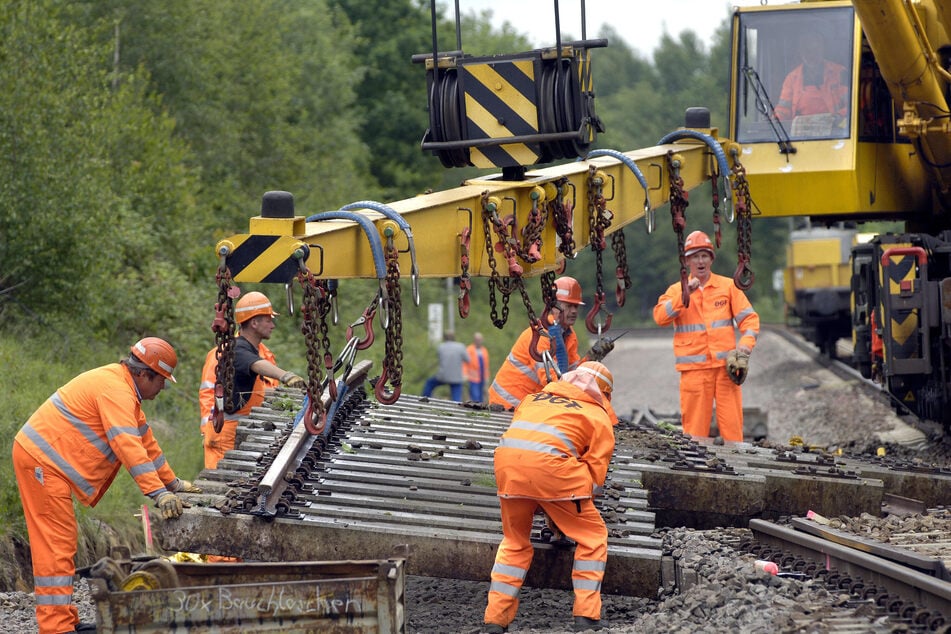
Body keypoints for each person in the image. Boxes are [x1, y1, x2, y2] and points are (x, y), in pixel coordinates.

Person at [12, 337, 201, 634]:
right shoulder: (116, 391)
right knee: (56, 545)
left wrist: (172, 483)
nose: (163, 388)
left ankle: (64, 619)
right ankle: (56, 628)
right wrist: (158, 493)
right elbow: (128, 446)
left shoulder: (125, 390)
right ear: (143, 374)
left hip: (44, 463)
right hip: (41, 464)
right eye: (161, 380)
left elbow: (146, 443)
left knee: (61, 543)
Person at [482, 361, 618, 634]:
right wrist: (564, 511)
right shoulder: (597, 415)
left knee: (514, 542)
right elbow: (594, 477)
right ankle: (587, 617)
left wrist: (549, 506)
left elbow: (530, 447)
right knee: (592, 538)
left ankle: (496, 620)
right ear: (604, 393)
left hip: (508, 473)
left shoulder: (531, 400)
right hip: (556, 476)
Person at [652, 230, 760, 442]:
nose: (700, 261)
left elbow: (749, 319)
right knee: (694, 434)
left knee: (732, 429)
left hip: (725, 370)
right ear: (687, 261)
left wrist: (745, 346)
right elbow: (660, 317)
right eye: (695, 256)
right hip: (694, 373)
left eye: (704, 255)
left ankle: (736, 469)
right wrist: (684, 295)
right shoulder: (676, 291)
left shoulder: (728, 286)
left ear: (711, 259)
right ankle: (697, 471)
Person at [201, 291, 305, 469]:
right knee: (223, 486)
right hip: (226, 431)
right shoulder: (236, 349)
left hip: (241, 428)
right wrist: (286, 376)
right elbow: (253, 364)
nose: (272, 325)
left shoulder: (258, 351)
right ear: (254, 323)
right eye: (268, 320)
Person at [488, 276, 610, 411]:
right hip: (506, 405)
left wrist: (591, 357)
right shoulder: (540, 336)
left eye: (576, 306)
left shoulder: (568, 335)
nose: (574, 311)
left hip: (527, 405)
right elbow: (551, 381)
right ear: (554, 307)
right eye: (569, 306)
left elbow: (572, 373)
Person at [774, 31, 848, 122]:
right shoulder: (791, 78)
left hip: (834, 131)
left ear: (823, 49)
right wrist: (776, 119)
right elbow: (783, 109)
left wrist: (837, 117)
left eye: (815, 50)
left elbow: (852, 106)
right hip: (800, 133)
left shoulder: (840, 73)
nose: (812, 55)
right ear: (800, 52)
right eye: (807, 50)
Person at [422, 330, 470, 402]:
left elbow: (440, 357)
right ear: (454, 338)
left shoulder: (441, 347)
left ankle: (424, 398)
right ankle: (456, 404)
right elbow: (468, 360)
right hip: (456, 377)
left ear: (444, 338)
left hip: (443, 376)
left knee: (429, 383)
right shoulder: (461, 347)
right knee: (456, 392)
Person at [464, 332, 491, 403]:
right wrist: (465, 374)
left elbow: (486, 365)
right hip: (473, 377)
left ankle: (480, 411)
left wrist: (487, 377)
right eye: (477, 339)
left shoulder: (484, 350)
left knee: (482, 395)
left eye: (480, 339)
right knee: (475, 395)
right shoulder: (469, 349)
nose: (478, 341)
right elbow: (465, 363)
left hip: (482, 377)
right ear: (474, 340)